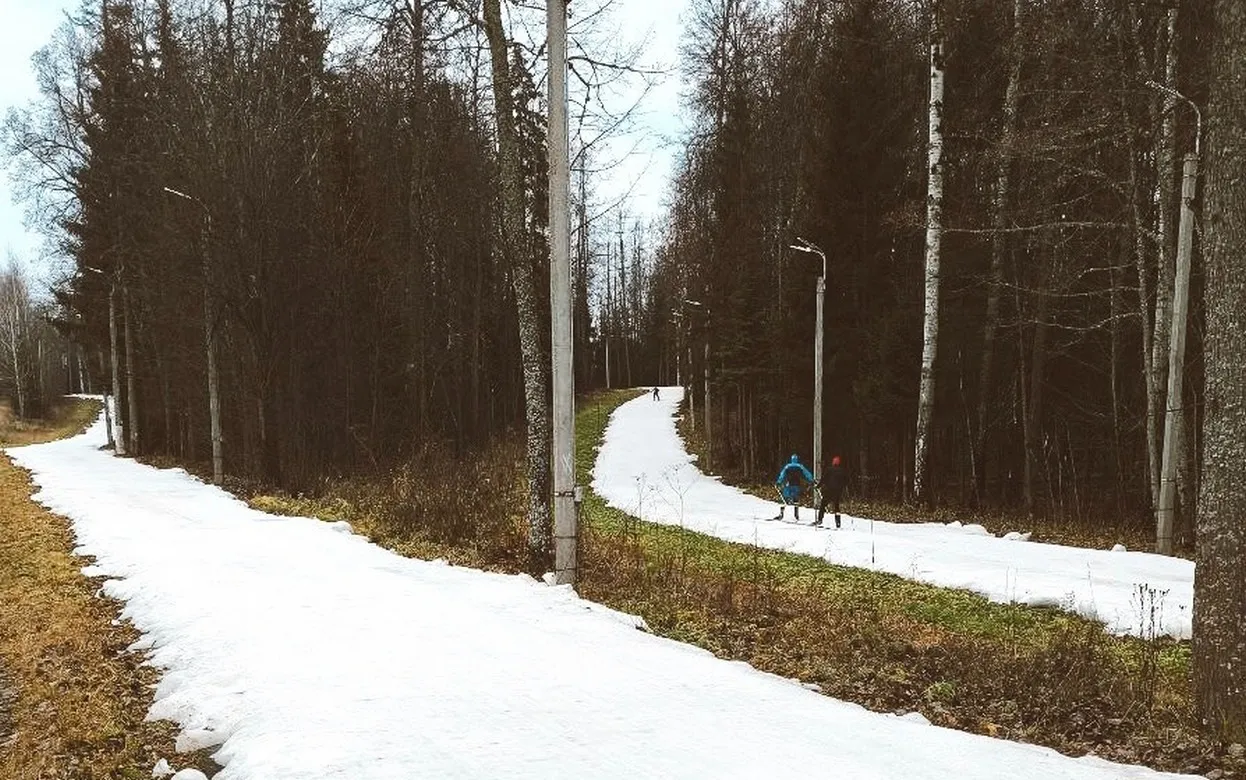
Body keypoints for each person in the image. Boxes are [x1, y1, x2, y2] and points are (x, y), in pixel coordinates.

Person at [773, 454, 814, 521]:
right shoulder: (800, 466)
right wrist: (811, 480)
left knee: (784, 499)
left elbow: (782, 474)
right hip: (797, 484)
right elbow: (807, 474)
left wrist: (779, 482)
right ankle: (796, 514)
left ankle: (781, 514)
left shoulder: (787, 466)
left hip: (788, 484)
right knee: (796, 499)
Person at [814, 455, 848, 528]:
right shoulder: (842, 471)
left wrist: (818, 486)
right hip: (837, 492)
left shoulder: (829, 469)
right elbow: (845, 481)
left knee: (823, 505)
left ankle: (820, 519)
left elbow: (824, 479)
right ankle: (838, 522)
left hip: (828, 490)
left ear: (833, 462)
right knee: (836, 506)